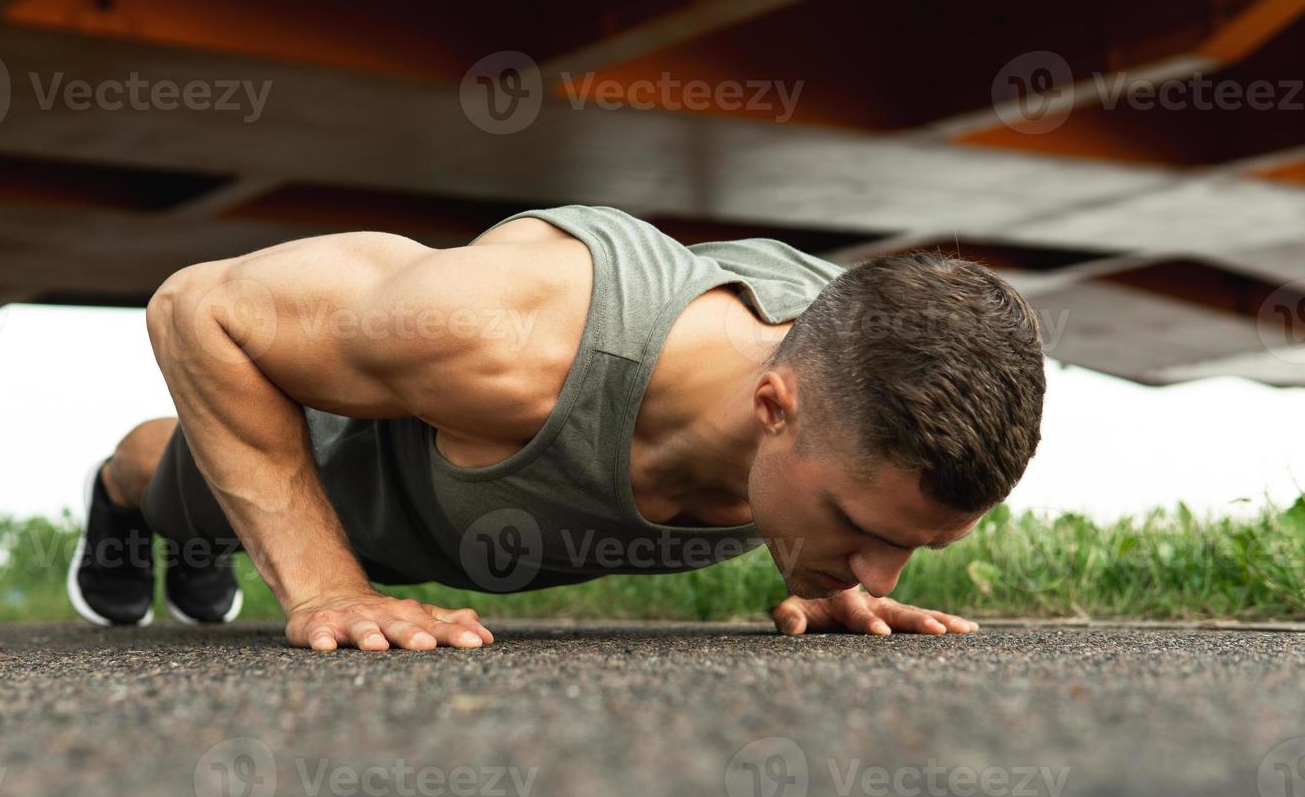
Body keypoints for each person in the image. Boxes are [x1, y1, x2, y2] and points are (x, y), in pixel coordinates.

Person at [67, 205, 1045, 649]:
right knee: (178, 489)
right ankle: (119, 499)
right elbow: (199, 310)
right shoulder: (502, 335)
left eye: (909, 545)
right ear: (770, 406)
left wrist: (829, 569)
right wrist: (324, 583)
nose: (886, 575)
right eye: (865, 531)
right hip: (355, 483)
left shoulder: (866, 391)